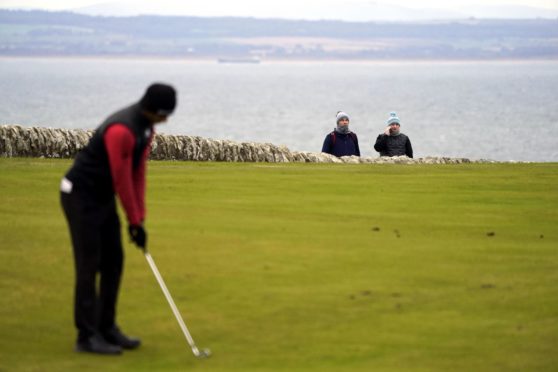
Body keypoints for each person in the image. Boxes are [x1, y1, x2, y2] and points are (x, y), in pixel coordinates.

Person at [60, 83, 177, 355]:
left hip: (101, 198)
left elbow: (138, 173)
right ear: (155, 109)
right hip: (79, 195)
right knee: (89, 264)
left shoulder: (146, 129)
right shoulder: (121, 130)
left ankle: (107, 327)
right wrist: (132, 219)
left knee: (114, 262)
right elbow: (121, 177)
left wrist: (140, 219)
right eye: (166, 113)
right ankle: (86, 336)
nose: (167, 119)